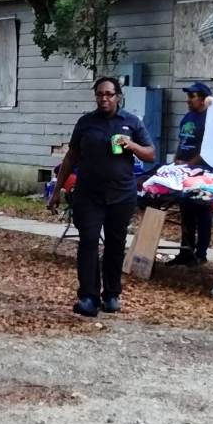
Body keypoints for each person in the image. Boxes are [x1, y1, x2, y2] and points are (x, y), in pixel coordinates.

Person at [60, 74, 155, 317]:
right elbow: (71, 156)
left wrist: (131, 145)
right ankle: (88, 297)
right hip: (89, 194)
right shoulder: (86, 122)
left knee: (115, 244)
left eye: (109, 94)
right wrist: (58, 189)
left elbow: (150, 154)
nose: (104, 99)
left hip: (121, 195)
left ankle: (111, 295)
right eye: (100, 94)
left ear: (118, 97)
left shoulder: (131, 122)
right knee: (88, 241)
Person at [172, 80, 213, 265]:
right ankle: (185, 252)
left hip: (202, 171)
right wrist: (176, 160)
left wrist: (190, 164)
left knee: (202, 211)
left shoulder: (210, 119)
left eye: (192, 96)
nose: (188, 100)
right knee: (186, 210)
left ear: (204, 99)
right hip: (184, 170)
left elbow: (208, 148)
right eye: (188, 96)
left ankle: (201, 254)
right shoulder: (187, 117)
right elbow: (182, 141)